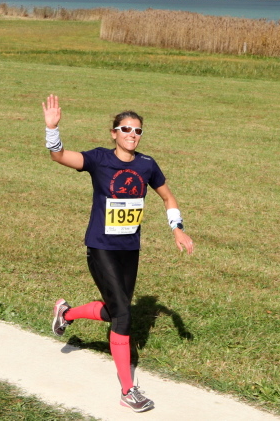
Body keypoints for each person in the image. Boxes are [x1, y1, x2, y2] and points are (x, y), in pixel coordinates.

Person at [42, 93, 194, 413]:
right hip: (101, 247)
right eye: (126, 129)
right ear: (114, 133)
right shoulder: (99, 159)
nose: (132, 135)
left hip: (129, 249)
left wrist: (177, 228)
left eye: (137, 131)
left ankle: (66, 314)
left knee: (115, 311)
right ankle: (128, 390)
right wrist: (52, 129)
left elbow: (168, 197)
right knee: (123, 314)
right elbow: (59, 156)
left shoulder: (147, 165)